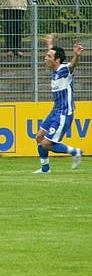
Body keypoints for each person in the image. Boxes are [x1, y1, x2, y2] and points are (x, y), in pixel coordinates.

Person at [34, 35, 84, 173]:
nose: (45, 58)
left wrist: (76, 55)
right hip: (55, 111)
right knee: (39, 137)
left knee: (46, 143)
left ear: (57, 60)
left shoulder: (64, 70)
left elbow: (72, 65)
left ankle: (75, 152)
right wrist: (49, 44)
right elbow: (54, 54)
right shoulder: (55, 69)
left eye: (48, 56)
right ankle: (45, 169)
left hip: (64, 113)